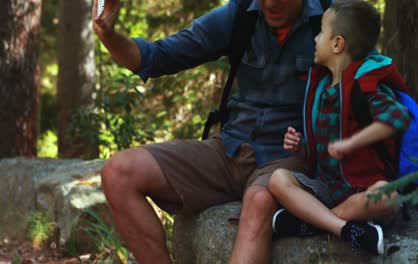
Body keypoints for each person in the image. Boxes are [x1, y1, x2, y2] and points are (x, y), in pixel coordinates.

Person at [92, 0, 327, 263]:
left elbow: (367, 86)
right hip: (230, 147)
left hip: (288, 156)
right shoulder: (240, 14)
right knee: (118, 174)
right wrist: (109, 36)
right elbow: (155, 57)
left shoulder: (332, 19)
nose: (270, 3)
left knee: (259, 199)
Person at [269, 0, 409, 255]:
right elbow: (319, 151)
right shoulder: (322, 86)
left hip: (361, 189)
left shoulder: (364, 85)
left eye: (321, 31)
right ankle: (347, 230)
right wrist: (300, 147)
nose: (315, 38)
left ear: (337, 44)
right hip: (325, 187)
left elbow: (397, 119)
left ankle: (314, 222)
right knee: (278, 179)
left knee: (388, 196)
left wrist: (352, 143)